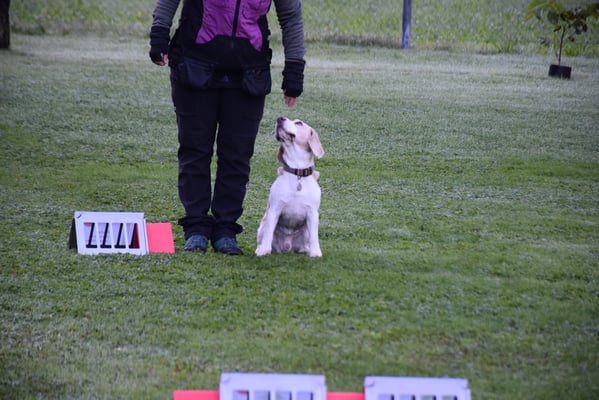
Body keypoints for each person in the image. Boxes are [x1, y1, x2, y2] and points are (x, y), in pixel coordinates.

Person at [149, 0, 306, 255]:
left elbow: (291, 17)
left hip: (249, 71)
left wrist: (295, 67)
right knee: (194, 150)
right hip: (194, 62)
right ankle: (196, 227)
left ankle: (225, 230)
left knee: (237, 155)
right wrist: (159, 33)